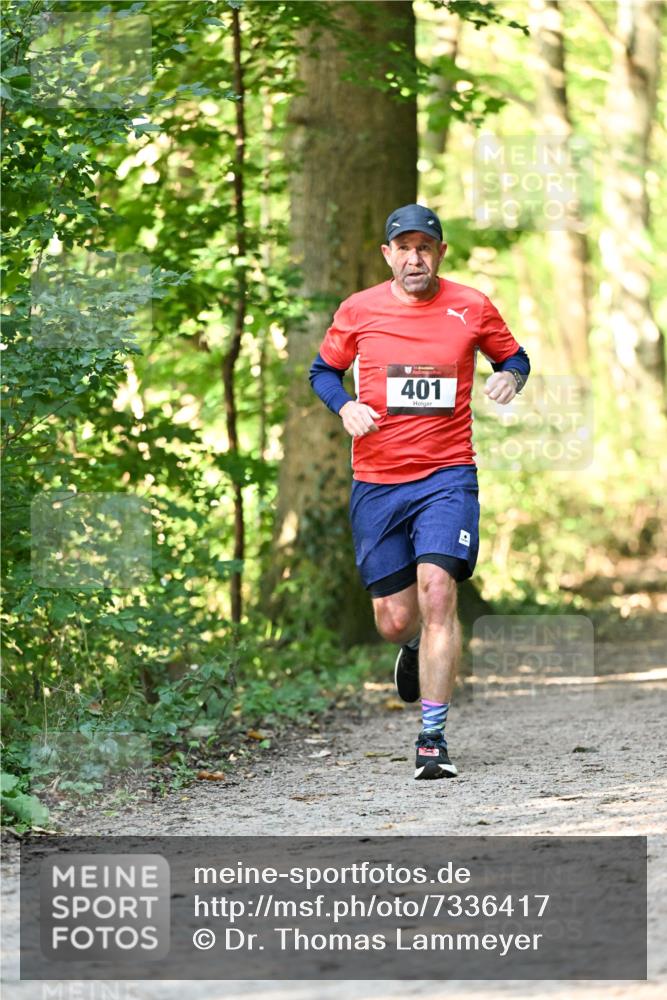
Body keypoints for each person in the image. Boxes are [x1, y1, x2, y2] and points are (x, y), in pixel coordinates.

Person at [309, 204, 530, 780]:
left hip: (447, 476)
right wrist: (346, 405)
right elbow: (322, 372)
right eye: (403, 248)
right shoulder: (359, 310)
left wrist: (510, 376)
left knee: (438, 593)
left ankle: (432, 738)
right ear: (387, 254)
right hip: (378, 481)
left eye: (424, 247)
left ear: (439, 253)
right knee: (394, 620)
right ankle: (409, 649)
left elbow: (514, 355)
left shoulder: (471, 305)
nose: (414, 258)